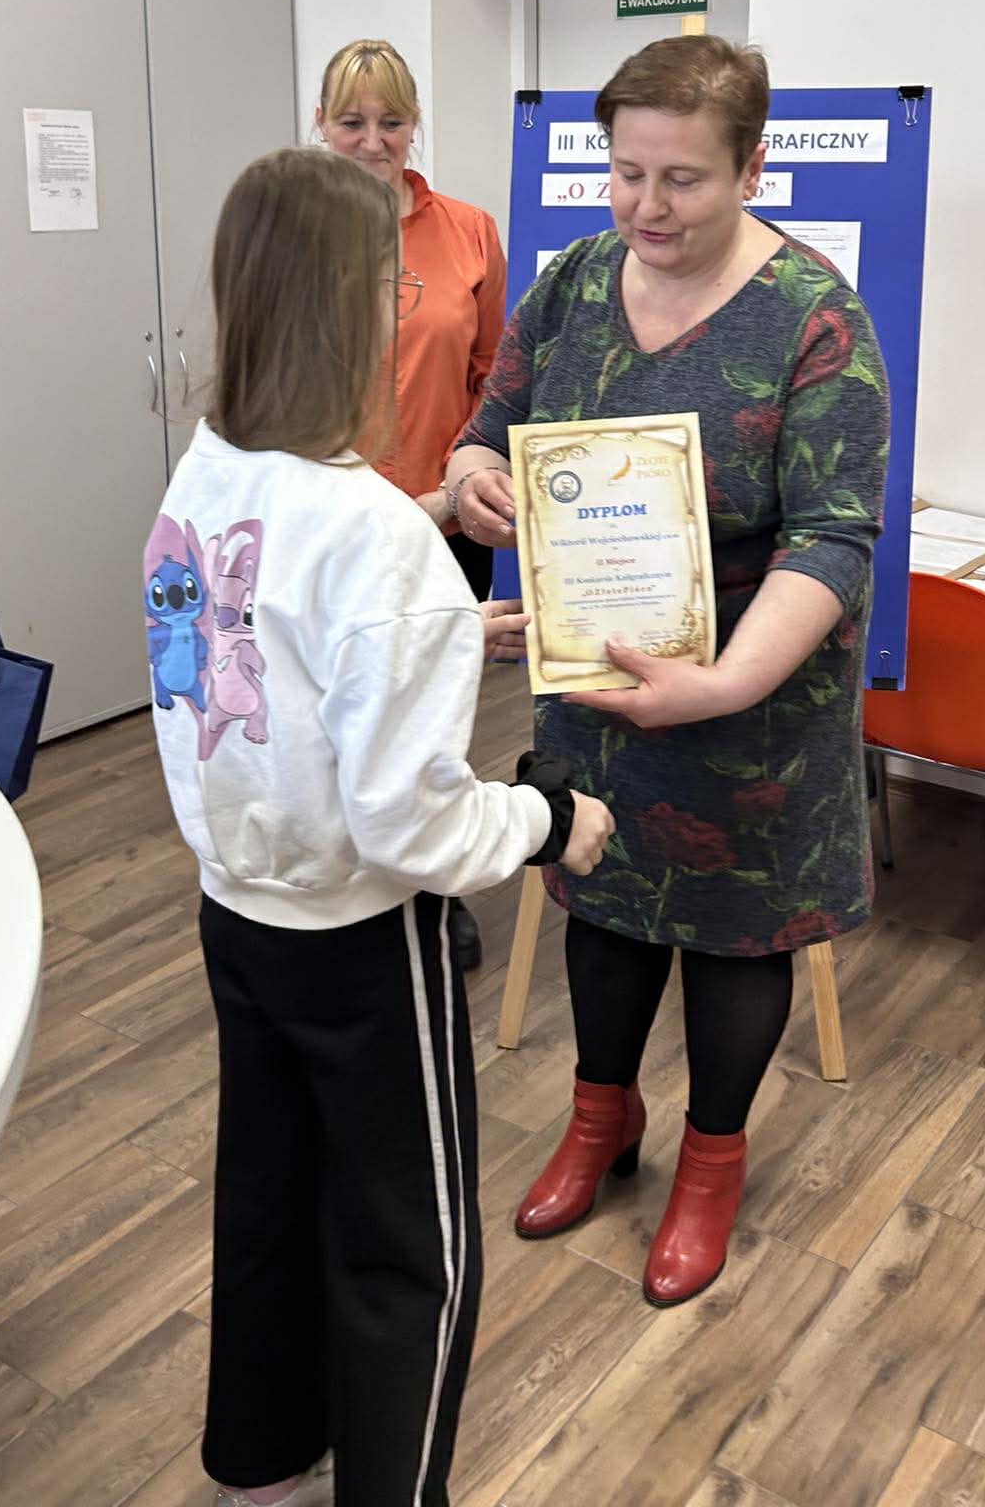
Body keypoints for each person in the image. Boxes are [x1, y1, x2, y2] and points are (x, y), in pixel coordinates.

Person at [146, 147, 613, 1507]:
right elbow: (415, 826)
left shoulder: (203, 473)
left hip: (238, 910)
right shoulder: (378, 542)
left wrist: (441, 604)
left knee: (270, 1190)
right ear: (361, 308)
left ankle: (261, 1461)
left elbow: (267, 619)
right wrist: (548, 821)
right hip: (360, 942)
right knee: (416, 1244)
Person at [444, 35, 890, 1309]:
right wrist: (476, 482)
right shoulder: (576, 281)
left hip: (754, 700)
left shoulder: (815, 318)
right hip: (596, 678)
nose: (646, 205)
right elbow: (488, 429)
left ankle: (710, 1159)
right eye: (625, 171)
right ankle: (602, 1118)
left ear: (752, 167)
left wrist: (729, 682)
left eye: (683, 178)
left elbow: (834, 535)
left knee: (738, 933)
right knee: (599, 892)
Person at [314, 38, 509, 972]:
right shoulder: (299, 234)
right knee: (337, 707)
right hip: (328, 525)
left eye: (391, 121)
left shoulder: (467, 230)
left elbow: (495, 377)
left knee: (433, 711)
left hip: (443, 517)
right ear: (321, 125)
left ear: (414, 124)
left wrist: (456, 489)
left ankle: (436, 886)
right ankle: (344, 881)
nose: (373, 140)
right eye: (352, 121)